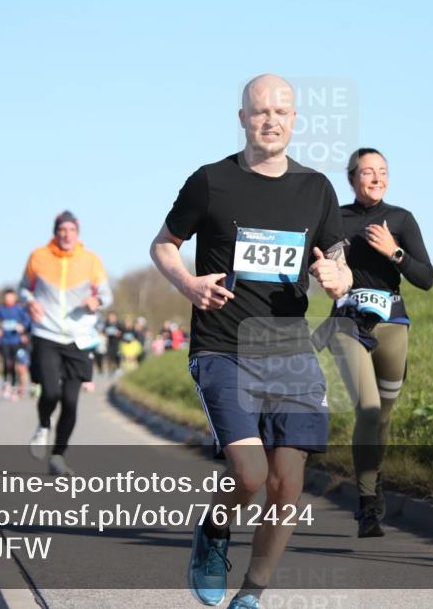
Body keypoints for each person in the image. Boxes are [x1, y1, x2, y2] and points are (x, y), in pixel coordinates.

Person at [150, 74, 351, 609]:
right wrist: (187, 284)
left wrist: (339, 278)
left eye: (282, 112)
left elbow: (337, 261)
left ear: (295, 120)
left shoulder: (317, 190)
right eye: (261, 111)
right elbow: (163, 244)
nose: (271, 120)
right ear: (242, 117)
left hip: (290, 353)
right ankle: (215, 531)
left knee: (287, 484)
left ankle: (252, 594)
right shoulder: (211, 182)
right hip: (223, 346)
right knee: (250, 473)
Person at [314, 147, 433, 537]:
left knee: (382, 416)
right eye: (368, 172)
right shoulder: (336, 221)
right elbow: (314, 263)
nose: (377, 178)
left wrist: (393, 252)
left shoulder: (401, 219)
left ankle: (373, 479)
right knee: (367, 409)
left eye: (382, 171)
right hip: (348, 324)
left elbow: (426, 278)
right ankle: (367, 506)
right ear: (352, 179)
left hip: (393, 324)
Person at [21, 211, 113, 476]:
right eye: (62, 230)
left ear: (77, 232)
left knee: (71, 401)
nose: (67, 235)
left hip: (78, 337)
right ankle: (42, 426)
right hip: (47, 333)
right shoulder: (38, 257)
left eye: (71, 230)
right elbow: (23, 288)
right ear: (56, 231)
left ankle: (58, 456)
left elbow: (106, 295)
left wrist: (97, 302)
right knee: (50, 392)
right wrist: (29, 301)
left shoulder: (91, 260)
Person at [0, 288, 31, 400]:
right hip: (4, 340)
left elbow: (27, 320)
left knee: (14, 363)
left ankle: (14, 386)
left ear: (14, 298)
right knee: (6, 362)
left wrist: (22, 327)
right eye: (6, 297)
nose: (8, 299)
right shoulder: (0, 309)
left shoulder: (18, 309)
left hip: (15, 340)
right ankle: (5, 383)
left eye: (10, 297)